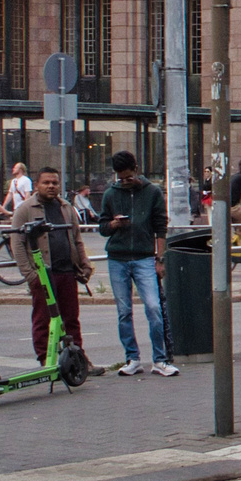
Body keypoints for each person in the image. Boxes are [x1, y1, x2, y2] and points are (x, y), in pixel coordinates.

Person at [10, 167, 104, 375]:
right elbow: (17, 244)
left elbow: (77, 239)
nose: (51, 186)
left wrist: (84, 264)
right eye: (46, 183)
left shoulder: (66, 208)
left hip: (66, 272)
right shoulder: (25, 209)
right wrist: (30, 275)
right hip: (43, 275)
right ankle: (46, 362)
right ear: (37, 185)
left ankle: (78, 360)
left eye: (55, 182)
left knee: (71, 319)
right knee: (43, 319)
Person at [97, 151, 176, 376]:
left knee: (153, 307)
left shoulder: (151, 192)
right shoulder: (111, 195)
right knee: (124, 311)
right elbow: (102, 227)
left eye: (128, 177)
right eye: (120, 179)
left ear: (137, 169)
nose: (124, 182)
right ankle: (132, 358)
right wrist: (113, 224)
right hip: (117, 258)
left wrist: (159, 259)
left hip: (143, 257)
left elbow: (161, 226)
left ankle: (160, 359)